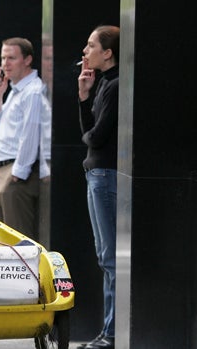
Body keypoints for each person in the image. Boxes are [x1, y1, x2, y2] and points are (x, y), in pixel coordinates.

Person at [76, 25, 120, 349]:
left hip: (105, 175)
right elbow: (90, 130)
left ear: (108, 52)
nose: (85, 51)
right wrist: (84, 96)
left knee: (110, 258)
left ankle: (112, 333)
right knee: (105, 256)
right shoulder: (104, 83)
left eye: (91, 45)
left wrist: (88, 138)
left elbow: (97, 135)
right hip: (97, 173)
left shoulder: (117, 85)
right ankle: (108, 331)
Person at [0, 37, 51, 243]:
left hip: (16, 174)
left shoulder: (32, 91)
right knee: (6, 243)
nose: (5, 63)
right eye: (3, 57)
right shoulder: (15, 91)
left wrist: (18, 173)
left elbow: (31, 134)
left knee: (20, 245)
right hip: (3, 170)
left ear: (27, 60)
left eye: (12, 58)